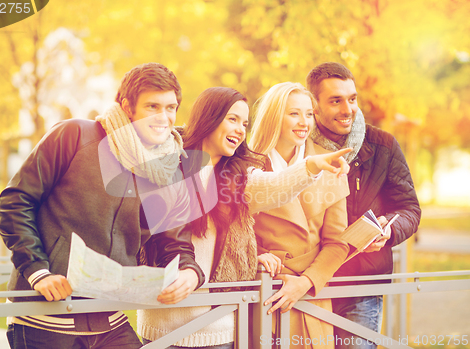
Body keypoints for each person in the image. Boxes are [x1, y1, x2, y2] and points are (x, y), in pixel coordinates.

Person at [0, 62, 205, 349]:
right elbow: (16, 200)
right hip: (44, 318)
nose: (164, 117)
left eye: (171, 108)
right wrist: (37, 271)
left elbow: (173, 242)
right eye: (152, 107)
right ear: (127, 107)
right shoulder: (73, 135)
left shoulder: (169, 167)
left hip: (111, 319)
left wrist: (189, 271)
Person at [137, 87, 351, 348]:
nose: (240, 129)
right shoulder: (165, 165)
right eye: (232, 119)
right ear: (210, 117)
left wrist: (312, 165)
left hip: (219, 328)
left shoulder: (239, 179)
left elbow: (275, 185)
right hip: (163, 326)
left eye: (245, 123)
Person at [306, 62, 421, 349]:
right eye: (336, 100)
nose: (348, 109)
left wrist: (389, 230)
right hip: (306, 282)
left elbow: (409, 209)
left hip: (362, 285)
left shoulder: (383, 145)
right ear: (314, 106)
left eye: (352, 98)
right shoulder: (298, 146)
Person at [249, 82, 351, 349]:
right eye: (294, 113)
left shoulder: (329, 163)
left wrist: (305, 282)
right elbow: (233, 227)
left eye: (308, 114)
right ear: (274, 116)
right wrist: (255, 254)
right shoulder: (247, 163)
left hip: (309, 292)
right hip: (264, 288)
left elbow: (338, 242)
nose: (304, 122)